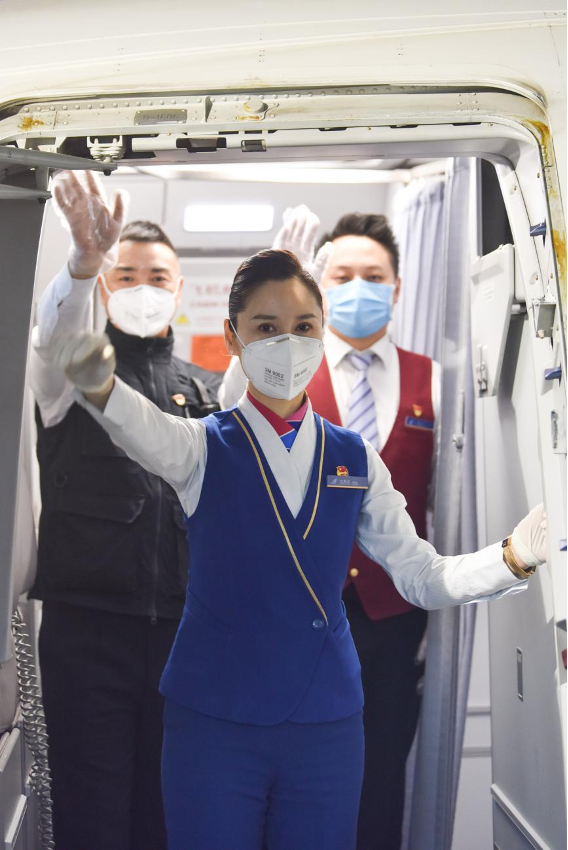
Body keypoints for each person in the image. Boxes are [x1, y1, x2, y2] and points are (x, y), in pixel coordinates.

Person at [54, 248, 545, 850]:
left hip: (325, 721)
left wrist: (512, 557)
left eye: (303, 326)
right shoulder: (200, 448)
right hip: (214, 718)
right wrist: (102, 388)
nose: (287, 343)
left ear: (321, 333)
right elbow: (143, 428)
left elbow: (421, 575)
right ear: (233, 338)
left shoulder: (356, 457)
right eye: (266, 327)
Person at [221, 207, 438, 850]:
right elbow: (230, 415)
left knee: (380, 778)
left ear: (397, 287)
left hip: (391, 619)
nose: (359, 287)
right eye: (341, 276)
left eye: (374, 276)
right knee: (290, 779)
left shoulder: (433, 378)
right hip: (292, 614)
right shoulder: (288, 372)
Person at [28, 170, 221, 850]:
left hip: (184, 638)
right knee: (94, 818)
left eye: (158, 277)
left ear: (179, 289)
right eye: (127, 274)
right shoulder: (72, 376)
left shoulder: (206, 390)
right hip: (90, 637)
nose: (144, 287)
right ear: (108, 288)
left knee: (170, 817)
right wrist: (84, 263)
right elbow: (55, 336)